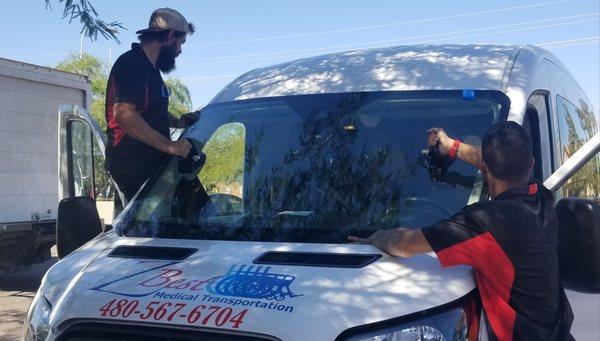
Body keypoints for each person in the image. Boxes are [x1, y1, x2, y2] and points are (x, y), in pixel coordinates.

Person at [349, 122, 573, 340]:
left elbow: (403, 244)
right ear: (531, 163)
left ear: (485, 166)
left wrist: (373, 237)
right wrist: (452, 146)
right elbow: (489, 160)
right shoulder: (542, 196)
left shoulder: (484, 222)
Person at [104, 8, 199, 202]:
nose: (180, 50)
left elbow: (148, 111)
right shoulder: (132, 64)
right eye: (181, 42)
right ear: (171, 35)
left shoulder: (151, 70)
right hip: (133, 170)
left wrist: (179, 121)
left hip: (152, 168)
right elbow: (123, 114)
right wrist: (171, 147)